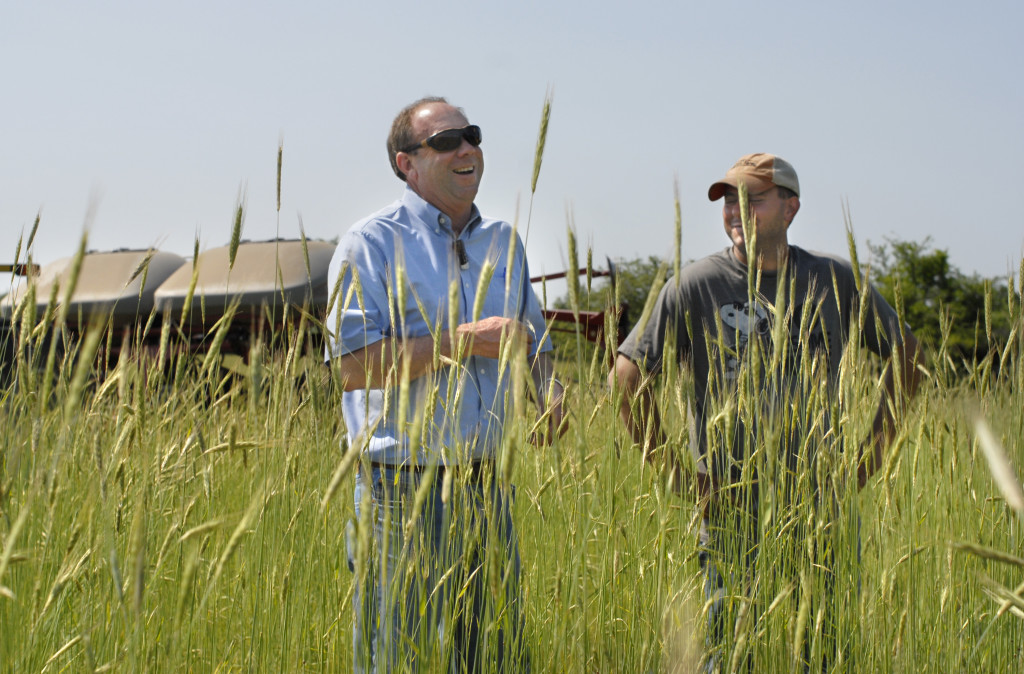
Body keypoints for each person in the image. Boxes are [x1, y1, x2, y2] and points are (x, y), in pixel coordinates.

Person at [609, 153, 923, 670]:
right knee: (730, 652)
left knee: (822, 652)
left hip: (821, 505)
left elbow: (907, 354)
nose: (736, 211)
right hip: (731, 510)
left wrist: (869, 458)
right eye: (728, 201)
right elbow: (626, 376)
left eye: (752, 199)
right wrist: (679, 477)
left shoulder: (833, 280)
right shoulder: (697, 284)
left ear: (790, 207)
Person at [325, 97, 564, 673]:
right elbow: (352, 367)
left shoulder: (504, 241)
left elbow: (534, 335)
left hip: (486, 483)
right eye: (446, 140)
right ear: (406, 164)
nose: (466, 149)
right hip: (397, 489)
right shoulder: (371, 242)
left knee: (496, 655)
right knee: (395, 654)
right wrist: (461, 342)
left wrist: (550, 392)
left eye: (472, 135)